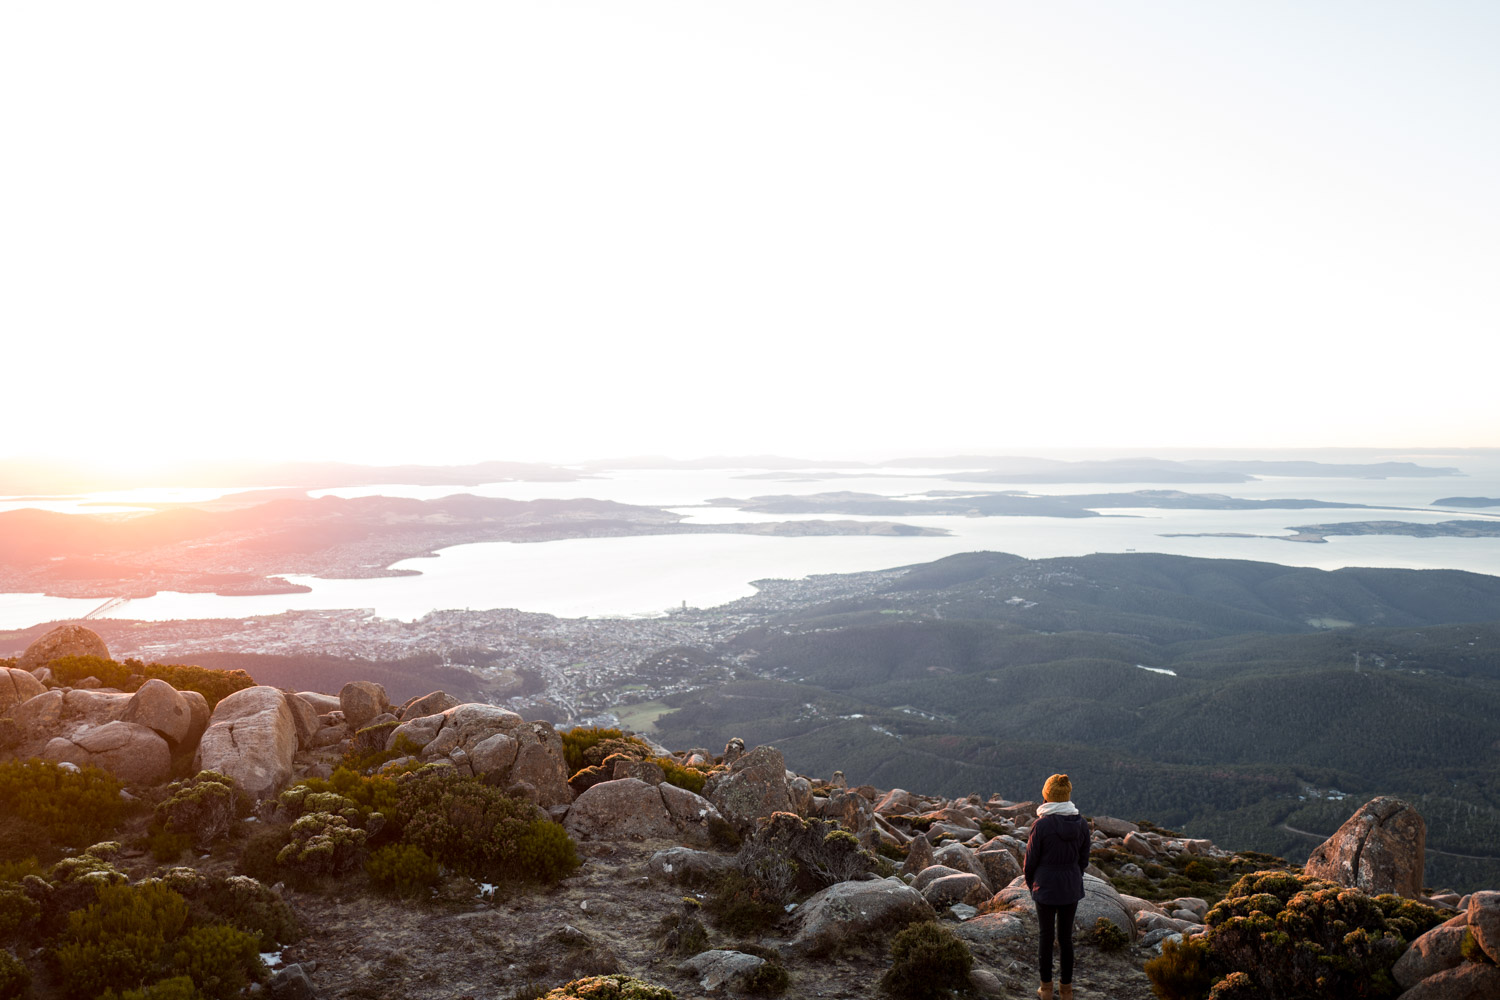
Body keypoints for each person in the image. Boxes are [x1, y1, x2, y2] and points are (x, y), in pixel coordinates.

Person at [1024, 773, 1090, 1000]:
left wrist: (1032, 884)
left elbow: (1030, 862)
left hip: (1045, 888)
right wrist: (1072, 876)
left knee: (1045, 937)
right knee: (1065, 939)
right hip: (1070, 888)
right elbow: (1084, 860)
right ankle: (1066, 991)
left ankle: (1046, 990)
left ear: (1047, 797)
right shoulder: (1081, 824)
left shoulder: (1041, 825)